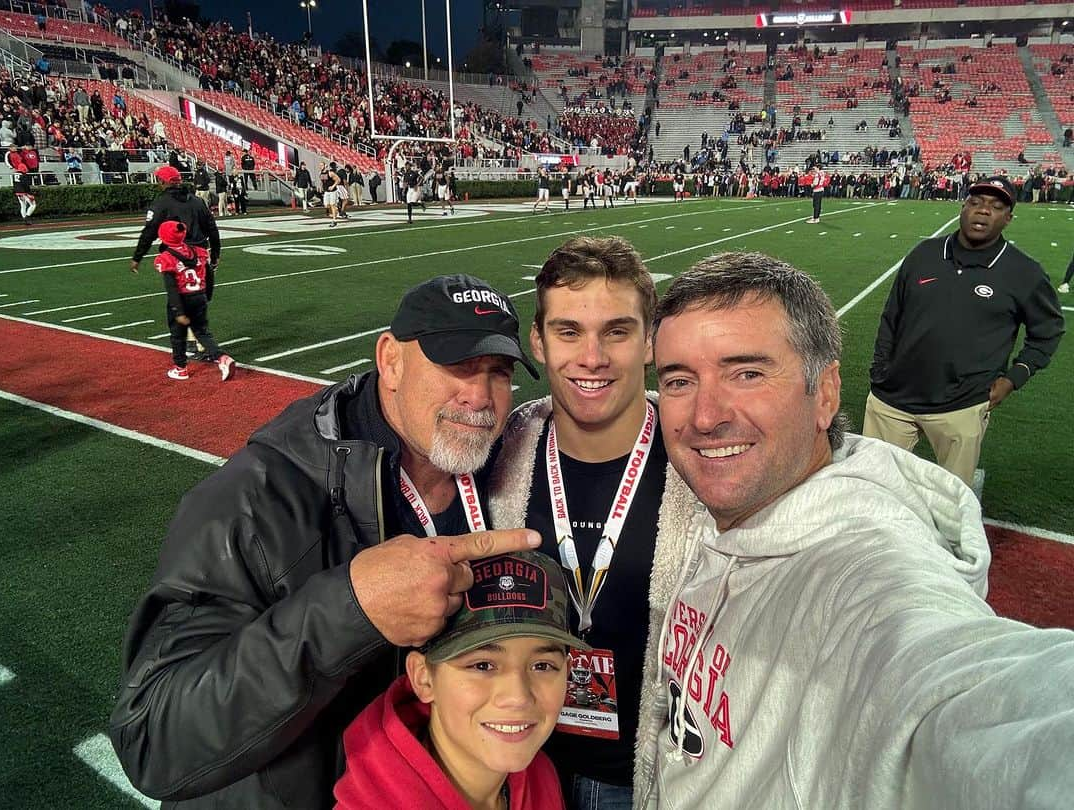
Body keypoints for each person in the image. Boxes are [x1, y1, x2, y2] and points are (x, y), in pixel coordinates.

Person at [632, 251, 1074, 809]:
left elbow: (968, 689)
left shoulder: (861, 568)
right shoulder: (736, 497)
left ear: (825, 395)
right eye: (679, 380)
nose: (704, 415)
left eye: (747, 373)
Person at [110, 274, 543, 809]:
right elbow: (152, 735)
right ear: (390, 360)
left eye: (497, 373)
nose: (478, 396)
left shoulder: (505, 469)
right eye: (456, 366)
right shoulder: (258, 494)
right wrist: (350, 610)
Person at [488, 237, 689, 810]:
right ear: (539, 342)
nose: (592, 357)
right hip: (525, 768)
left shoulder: (701, 461)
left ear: (649, 342)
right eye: (569, 331)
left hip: (649, 776)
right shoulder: (499, 457)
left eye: (617, 331)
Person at [333, 550, 586, 810]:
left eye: (542, 666)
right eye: (482, 665)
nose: (518, 697)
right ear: (423, 679)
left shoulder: (540, 775)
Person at [863, 175, 1064, 486]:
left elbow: (1048, 330)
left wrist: (1015, 378)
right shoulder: (924, 254)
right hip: (892, 401)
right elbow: (892, 316)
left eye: (996, 207)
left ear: (1008, 218)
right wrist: (880, 370)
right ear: (963, 207)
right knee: (875, 487)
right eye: (976, 202)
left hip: (961, 406)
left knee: (952, 501)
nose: (983, 211)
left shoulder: (1024, 272)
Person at [131, 165, 223, 359]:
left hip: (178, 260)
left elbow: (149, 233)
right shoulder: (198, 201)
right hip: (201, 258)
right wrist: (215, 254)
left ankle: (192, 350)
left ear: (163, 182)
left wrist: (137, 257)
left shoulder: (161, 203)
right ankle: (198, 343)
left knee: (180, 303)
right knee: (200, 300)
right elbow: (212, 229)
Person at [154, 220, 235, 382]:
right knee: (202, 332)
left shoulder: (166, 258)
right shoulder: (198, 251)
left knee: (178, 336)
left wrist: (178, 310)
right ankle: (222, 358)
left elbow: (171, 288)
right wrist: (207, 296)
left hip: (182, 299)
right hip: (199, 296)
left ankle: (181, 368)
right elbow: (209, 275)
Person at [320, 161, 340, 228]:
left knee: (332, 205)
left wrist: (333, 186)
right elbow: (322, 181)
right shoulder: (320, 173)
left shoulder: (330, 173)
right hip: (326, 191)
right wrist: (321, 187)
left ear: (325, 166)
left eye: (322, 165)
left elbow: (338, 180)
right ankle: (336, 209)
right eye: (320, 165)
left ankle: (334, 220)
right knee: (326, 205)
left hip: (332, 191)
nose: (320, 167)